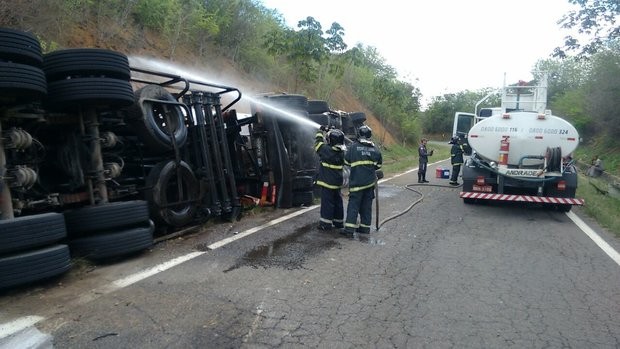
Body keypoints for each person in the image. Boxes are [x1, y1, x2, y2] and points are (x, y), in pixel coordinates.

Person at [342, 125, 382, 237]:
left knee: (353, 206)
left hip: (357, 184)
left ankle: (349, 230)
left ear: (359, 134)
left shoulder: (353, 147)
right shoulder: (375, 150)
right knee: (366, 207)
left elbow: (346, 162)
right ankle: (365, 228)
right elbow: (378, 165)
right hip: (369, 185)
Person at [315, 126, 346, 230]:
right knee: (338, 201)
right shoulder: (342, 152)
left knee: (327, 203)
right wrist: (330, 131)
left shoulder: (326, 150)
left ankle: (325, 224)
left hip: (327, 182)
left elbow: (318, 145)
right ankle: (339, 222)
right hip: (337, 183)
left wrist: (320, 131)